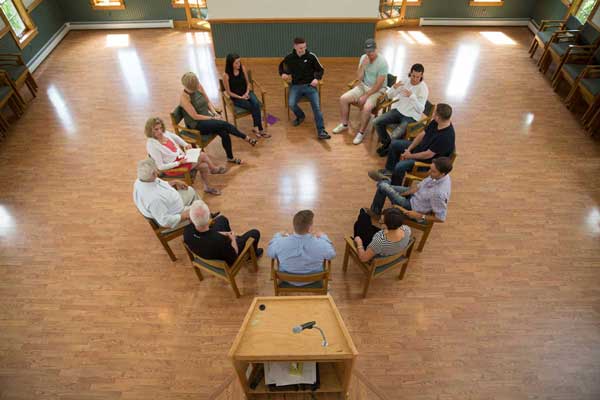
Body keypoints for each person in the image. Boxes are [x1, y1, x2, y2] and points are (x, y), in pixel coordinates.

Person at [180, 71, 257, 165]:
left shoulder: (198, 86)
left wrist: (214, 113)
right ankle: (246, 138)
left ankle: (230, 158)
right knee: (224, 124)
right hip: (197, 124)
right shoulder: (184, 98)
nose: (196, 87)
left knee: (224, 133)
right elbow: (195, 116)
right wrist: (213, 119)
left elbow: (207, 101)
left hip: (207, 118)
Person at [368, 103, 455, 186]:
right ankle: (389, 171)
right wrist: (409, 149)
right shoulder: (436, 122)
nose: (433, 115)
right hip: (420, 149)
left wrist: (410, 156)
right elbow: (422, 134)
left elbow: (427, 155)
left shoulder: (446, 137)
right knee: (394, 144)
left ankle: (394, 187)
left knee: (400, 166)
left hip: (426, 162)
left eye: (435, 113)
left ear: (438, 117)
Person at [145, 116, 225, 196]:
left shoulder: (164, 133)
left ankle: (208, 187)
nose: (160, 131)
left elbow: (176, 137)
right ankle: (213, 169)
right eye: (156, 129)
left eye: (161, 128)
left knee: (204, 166)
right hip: (173, 167)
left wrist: (185, 144)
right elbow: (160, 167)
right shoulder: (152, 145)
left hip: (181, 159)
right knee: (202, 155)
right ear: (150, 130)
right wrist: (178, 163)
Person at [332, 38, 389, 145]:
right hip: (364, 86)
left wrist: (366, 96)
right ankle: (344, 124)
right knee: (343, 99)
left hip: (378, 90)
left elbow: (378, 85)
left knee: (367, 107)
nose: (370, 54)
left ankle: (361, 133)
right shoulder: (364, 58)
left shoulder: (382, 63)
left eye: (372, 51)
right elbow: (359, 78)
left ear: (376, 49)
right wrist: (363, 65)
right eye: (367, 52)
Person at [368, 157, 453, 224]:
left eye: (433, 171)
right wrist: (403, 193)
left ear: (443, 174)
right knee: (383, 187)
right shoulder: (439, 175)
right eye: (430, 168)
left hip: (412, 207)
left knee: (383, 186)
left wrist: (420, 216)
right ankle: (385, 183)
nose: (429, 172)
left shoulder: (439, 193)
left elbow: (441, 218)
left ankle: (386, 181)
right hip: (414, 194)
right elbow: (419, 186)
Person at [278, 37, 330, 140]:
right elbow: (281, 66)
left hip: (310, 86)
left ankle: (321, 131)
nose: (303, 50)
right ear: (295, 47)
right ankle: (301, 116)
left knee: (317, 107)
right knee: (291, 104)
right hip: (296, 86)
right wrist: (282, 73)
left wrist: (317, 78)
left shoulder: (311, 56)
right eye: (300, 48)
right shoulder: (289, 57)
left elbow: (321, 69)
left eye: (304, 47)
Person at [184, 199, 263, 266]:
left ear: (191, 218)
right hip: (225, 258)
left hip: (206, 250)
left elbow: (207, 235)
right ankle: (252, 256)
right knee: (255, 233)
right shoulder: (220, 241)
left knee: (222, 219)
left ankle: (233, 238)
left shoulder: (187, 231)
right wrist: (233, 239)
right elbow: (234, 256)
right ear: (209, 218)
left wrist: (224, 234)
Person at [267, 210, 335, 286]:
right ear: (310, 227)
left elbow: (270, 254)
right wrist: (324, 237)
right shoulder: (322, 244)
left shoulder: (279, 242)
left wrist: (277, 236)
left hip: (287, 279)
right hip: (314, 280)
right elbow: (331, 255)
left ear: (294, 226)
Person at [373, 63, 429, 156]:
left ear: (421, 76)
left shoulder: (423, 89)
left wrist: (412, 97)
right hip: (398, 111)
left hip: (411, 117)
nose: (414, 79)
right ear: (410, 73)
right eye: (413, 76)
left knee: (395, 135)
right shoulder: (405, 81)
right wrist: (393, 88)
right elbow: (389, 96)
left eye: (418, 77)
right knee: (376, 121)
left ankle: (387, 147)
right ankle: (387, 144)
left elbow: (420, 110)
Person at [133, 158, 201, 228]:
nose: (158, 171)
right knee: (200, 211)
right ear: (153, 173)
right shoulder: (154, 200)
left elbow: (158, 185)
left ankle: (196, 208)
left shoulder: (142, 180)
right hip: (176, 215)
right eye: (157, 170)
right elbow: (165, 222)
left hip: (171, 204)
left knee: (190, 190)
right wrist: (184, 215)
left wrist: (174, 182)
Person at [223, 53, 270, 139]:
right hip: (237, 97)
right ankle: (260, 129)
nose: (239, 64)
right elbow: (229, 92)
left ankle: (256, 128)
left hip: (247, 92)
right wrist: (241, 97)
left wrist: (247, 93)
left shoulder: (242, 68)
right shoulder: (226, 76)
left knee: (256, 104)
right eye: (236, 63)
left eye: (239, 62)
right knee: (252, 107)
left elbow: (248, 83)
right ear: (230, 64)